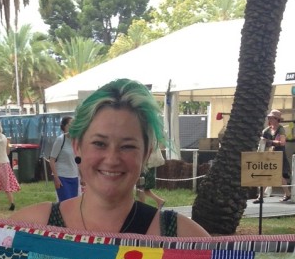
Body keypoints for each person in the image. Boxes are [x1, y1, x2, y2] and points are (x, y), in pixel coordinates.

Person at [13, 79, 206, 236]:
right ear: (77, 147)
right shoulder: (28, 230)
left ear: (146, 153)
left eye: (128, 146)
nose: (112, 159)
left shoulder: (183, 239)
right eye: (99, 143)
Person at [254, 109, 291, 203]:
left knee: (273, 175)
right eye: (269, 118)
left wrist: (269, 141)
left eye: (271, 118)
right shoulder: (267, 130)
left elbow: (282, 142)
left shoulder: (280, 129)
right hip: (269, 156)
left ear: (276, 119)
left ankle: (261, 197)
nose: (269, 119)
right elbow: (261, 140)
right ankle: (287, 194)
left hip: (278, 156)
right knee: (271, 175)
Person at [48, 115, 79, 202]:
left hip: (74, 176)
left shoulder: (76, 141)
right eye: (70, 124)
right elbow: (52, 159)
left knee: (73, 203)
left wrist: (82, 176)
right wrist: (56, 178)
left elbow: (78, 161)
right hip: (62, 177)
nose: (73, 126)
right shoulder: (60, 140)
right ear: (64, 127)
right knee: (65, 203)